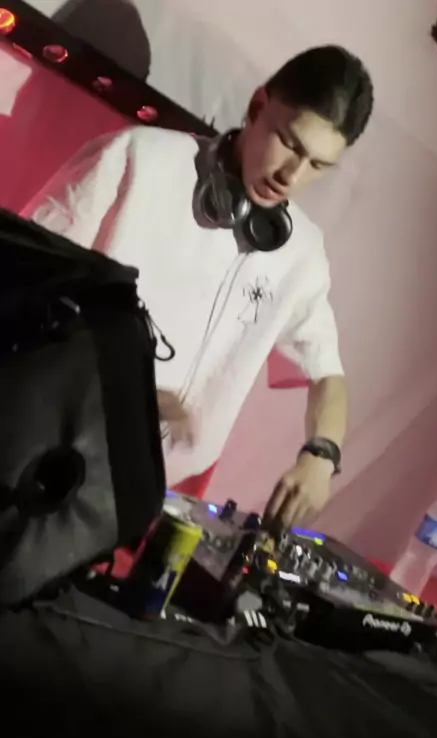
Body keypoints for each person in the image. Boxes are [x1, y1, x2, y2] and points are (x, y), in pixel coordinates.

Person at [22, 45, 374, 529]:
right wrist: (125, 388)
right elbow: (24, 280)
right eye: (289, 143)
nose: (291, 176)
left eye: (318, 165)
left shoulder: (303, 256)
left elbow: (328, 375)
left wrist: (322, 454)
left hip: (133, 500)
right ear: (257, 106)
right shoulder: (138, 157)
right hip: (35, 458)